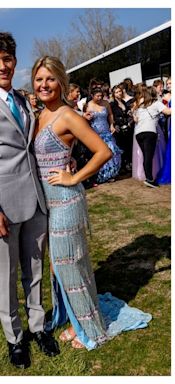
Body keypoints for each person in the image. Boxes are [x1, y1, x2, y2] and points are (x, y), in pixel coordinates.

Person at [31, 56, 151, 350]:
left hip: (66, 201)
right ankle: (71, 314)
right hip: (46, 203)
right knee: (59, 267)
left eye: (50, 79)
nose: (44, 84)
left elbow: (102, 152)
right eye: (39, 79)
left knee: (70, 265)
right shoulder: (38, 115)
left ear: (61, 81)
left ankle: (85, 326)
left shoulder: (68, 115)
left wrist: (75, 178)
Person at [0, 31, 60, 370]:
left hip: (36, 198)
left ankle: (38, 328)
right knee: (5, 279)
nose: (3, 65)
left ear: (15, 61)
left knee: (34, 271)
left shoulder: (23, 100)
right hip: (4, 205)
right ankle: (15, 339)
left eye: (7, 59)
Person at [132, 85, 171, 188]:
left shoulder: (140, 106)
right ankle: (149, 179)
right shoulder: (156, 103)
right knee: (148, 156)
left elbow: (135, 119)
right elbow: (168, 112)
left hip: (138, 134)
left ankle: (148, 178)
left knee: (146, 156)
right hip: (149, 132)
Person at [85, 86, 122, 183]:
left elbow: (110, 114)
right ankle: (102, 175)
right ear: (92, 96)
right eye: (97, 96)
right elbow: (85, 118)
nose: (99, 98)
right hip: (95, 132)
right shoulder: (88, 105)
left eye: (101, 96)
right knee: (101, 153)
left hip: (106, 131)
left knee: (112, 150)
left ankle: (112, 173)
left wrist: (112, 125)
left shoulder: (106, 103)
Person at [110, 85, 134, 173]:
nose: (119, 93)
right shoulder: (112, 104)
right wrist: (114, 125)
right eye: (116, 92)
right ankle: (122, 166)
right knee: (121, 147)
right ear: (113, 94)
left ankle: (128, 164)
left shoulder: (124, 102)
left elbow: (127, 113)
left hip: (127, 127)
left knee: (128, 146)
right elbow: (111, 116)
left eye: (120, 91)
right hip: (118, 128)